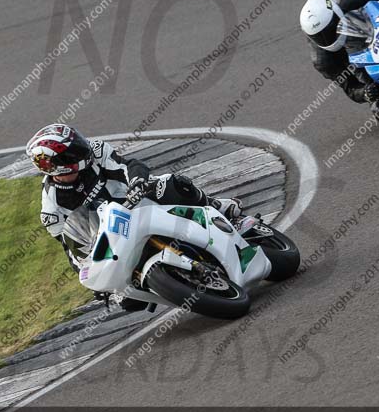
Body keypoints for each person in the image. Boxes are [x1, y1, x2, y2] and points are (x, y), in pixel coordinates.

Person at [26, 123, 242, 310]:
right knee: (128, 300)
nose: (82, 151)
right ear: (56, 164)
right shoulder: (52, 209)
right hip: (114, 235)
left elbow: (129, 166)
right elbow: (72, 249)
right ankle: (174, 282)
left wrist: (137, 182)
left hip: (138, 200)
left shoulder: (96, 151)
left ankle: (215, 207)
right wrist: (93, 279)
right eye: (73, 153)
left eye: (78, 145)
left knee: (172, 184)